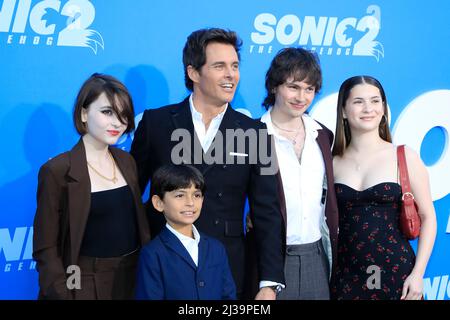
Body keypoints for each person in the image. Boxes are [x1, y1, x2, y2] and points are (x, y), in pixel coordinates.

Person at [130, 28, 285, 299]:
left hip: (226, 267)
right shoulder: (156, 123)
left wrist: (269, 283)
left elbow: (267, 211)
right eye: (219, 66)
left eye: (235, 66)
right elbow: (132, 196)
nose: (231, 75)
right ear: (193, 73)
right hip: (165, 268)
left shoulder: (256, 132)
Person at [33, 73, 151, 300]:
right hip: (82, 280)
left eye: (123, 114)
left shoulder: (127, 161)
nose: (117, 123)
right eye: (107, 112)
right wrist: (63, 293)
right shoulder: (57, 170)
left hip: (132, 279)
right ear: (84, 113)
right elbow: (45, 247)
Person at [331, 75, 437, 300]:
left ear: (384, 107)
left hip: (396, 274)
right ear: (343, 110)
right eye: (358, 101)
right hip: (345, 275)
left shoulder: (404, 157)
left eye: (375, 101)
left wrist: (418, 274)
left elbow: (428, 217)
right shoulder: (332, 162)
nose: (368, 108)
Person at [257, 47, 338, 299]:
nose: (301, 97)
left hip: (317, 256)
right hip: (271, 260)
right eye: (293, 87)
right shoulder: (253, 136)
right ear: (274, 87)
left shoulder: (322, 135)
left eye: (309, 89)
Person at [135, 164, 236, 299]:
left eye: (196, 195)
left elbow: (228, 295)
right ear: (159, 203)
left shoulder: (216, 248)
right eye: (180, 195)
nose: (190, 202)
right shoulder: (153, 254)